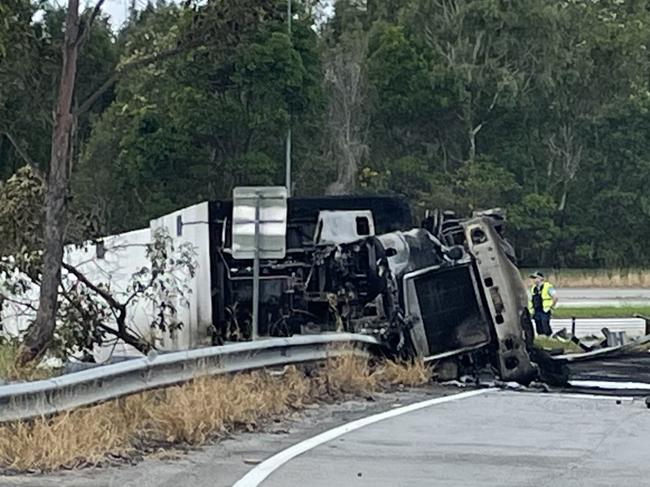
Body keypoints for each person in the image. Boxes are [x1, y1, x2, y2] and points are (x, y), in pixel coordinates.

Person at [527, 271, 558, 336]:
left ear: (541, 278)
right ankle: (542, 339)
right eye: (533, 278)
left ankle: (549, 339)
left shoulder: (548, 287)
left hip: (545, 311)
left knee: (545, 327)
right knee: (539, 328)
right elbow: (531, 300)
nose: (534, 280)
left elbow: (555, 297)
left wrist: (551, 307)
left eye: (536, 278)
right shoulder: (533, 288)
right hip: (536, 311)